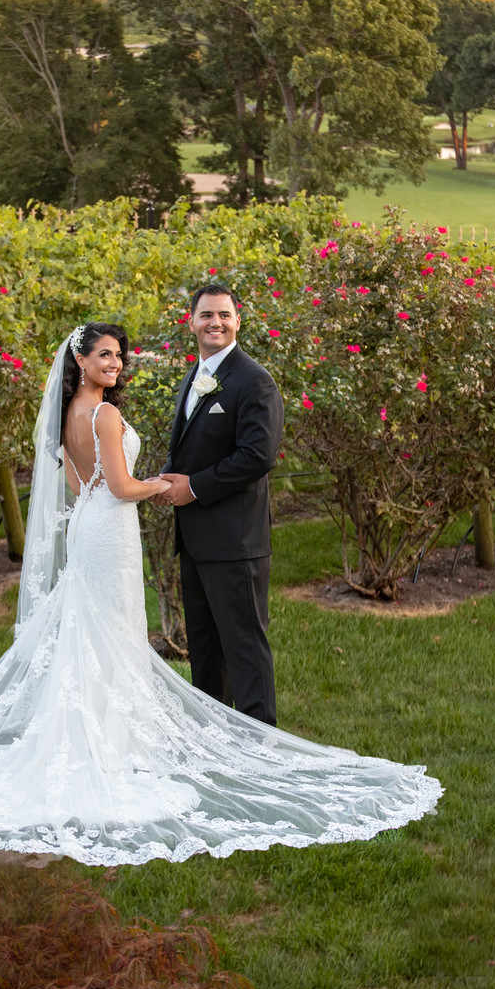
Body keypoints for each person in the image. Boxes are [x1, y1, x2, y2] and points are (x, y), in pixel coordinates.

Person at [0, 321, 441, 866]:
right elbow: (122, 486)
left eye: (119, 356)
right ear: (81, 361)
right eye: (104, 355)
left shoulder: (65, 416)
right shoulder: (108, 414)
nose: (115, 364)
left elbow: (83, 483)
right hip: (112, 523)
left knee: (94, 635)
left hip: (90, 524)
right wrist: (169, 486)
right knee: (109, 634)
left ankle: (98, 736)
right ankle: (105, 748)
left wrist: (138, 488)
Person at [152, 282, 281, 723]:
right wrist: (167, 479)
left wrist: (193, 488)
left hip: (235, 541)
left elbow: (257, 456)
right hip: (196, 538)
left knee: (244, 649)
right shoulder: (196, 373)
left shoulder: (254, 381)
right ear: (192, 322)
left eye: (224, 315)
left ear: (237, 321)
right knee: (206, 651)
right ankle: (214, 740)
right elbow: (192, 447)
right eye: (207, 315)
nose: (216, 323)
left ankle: (260, 745)